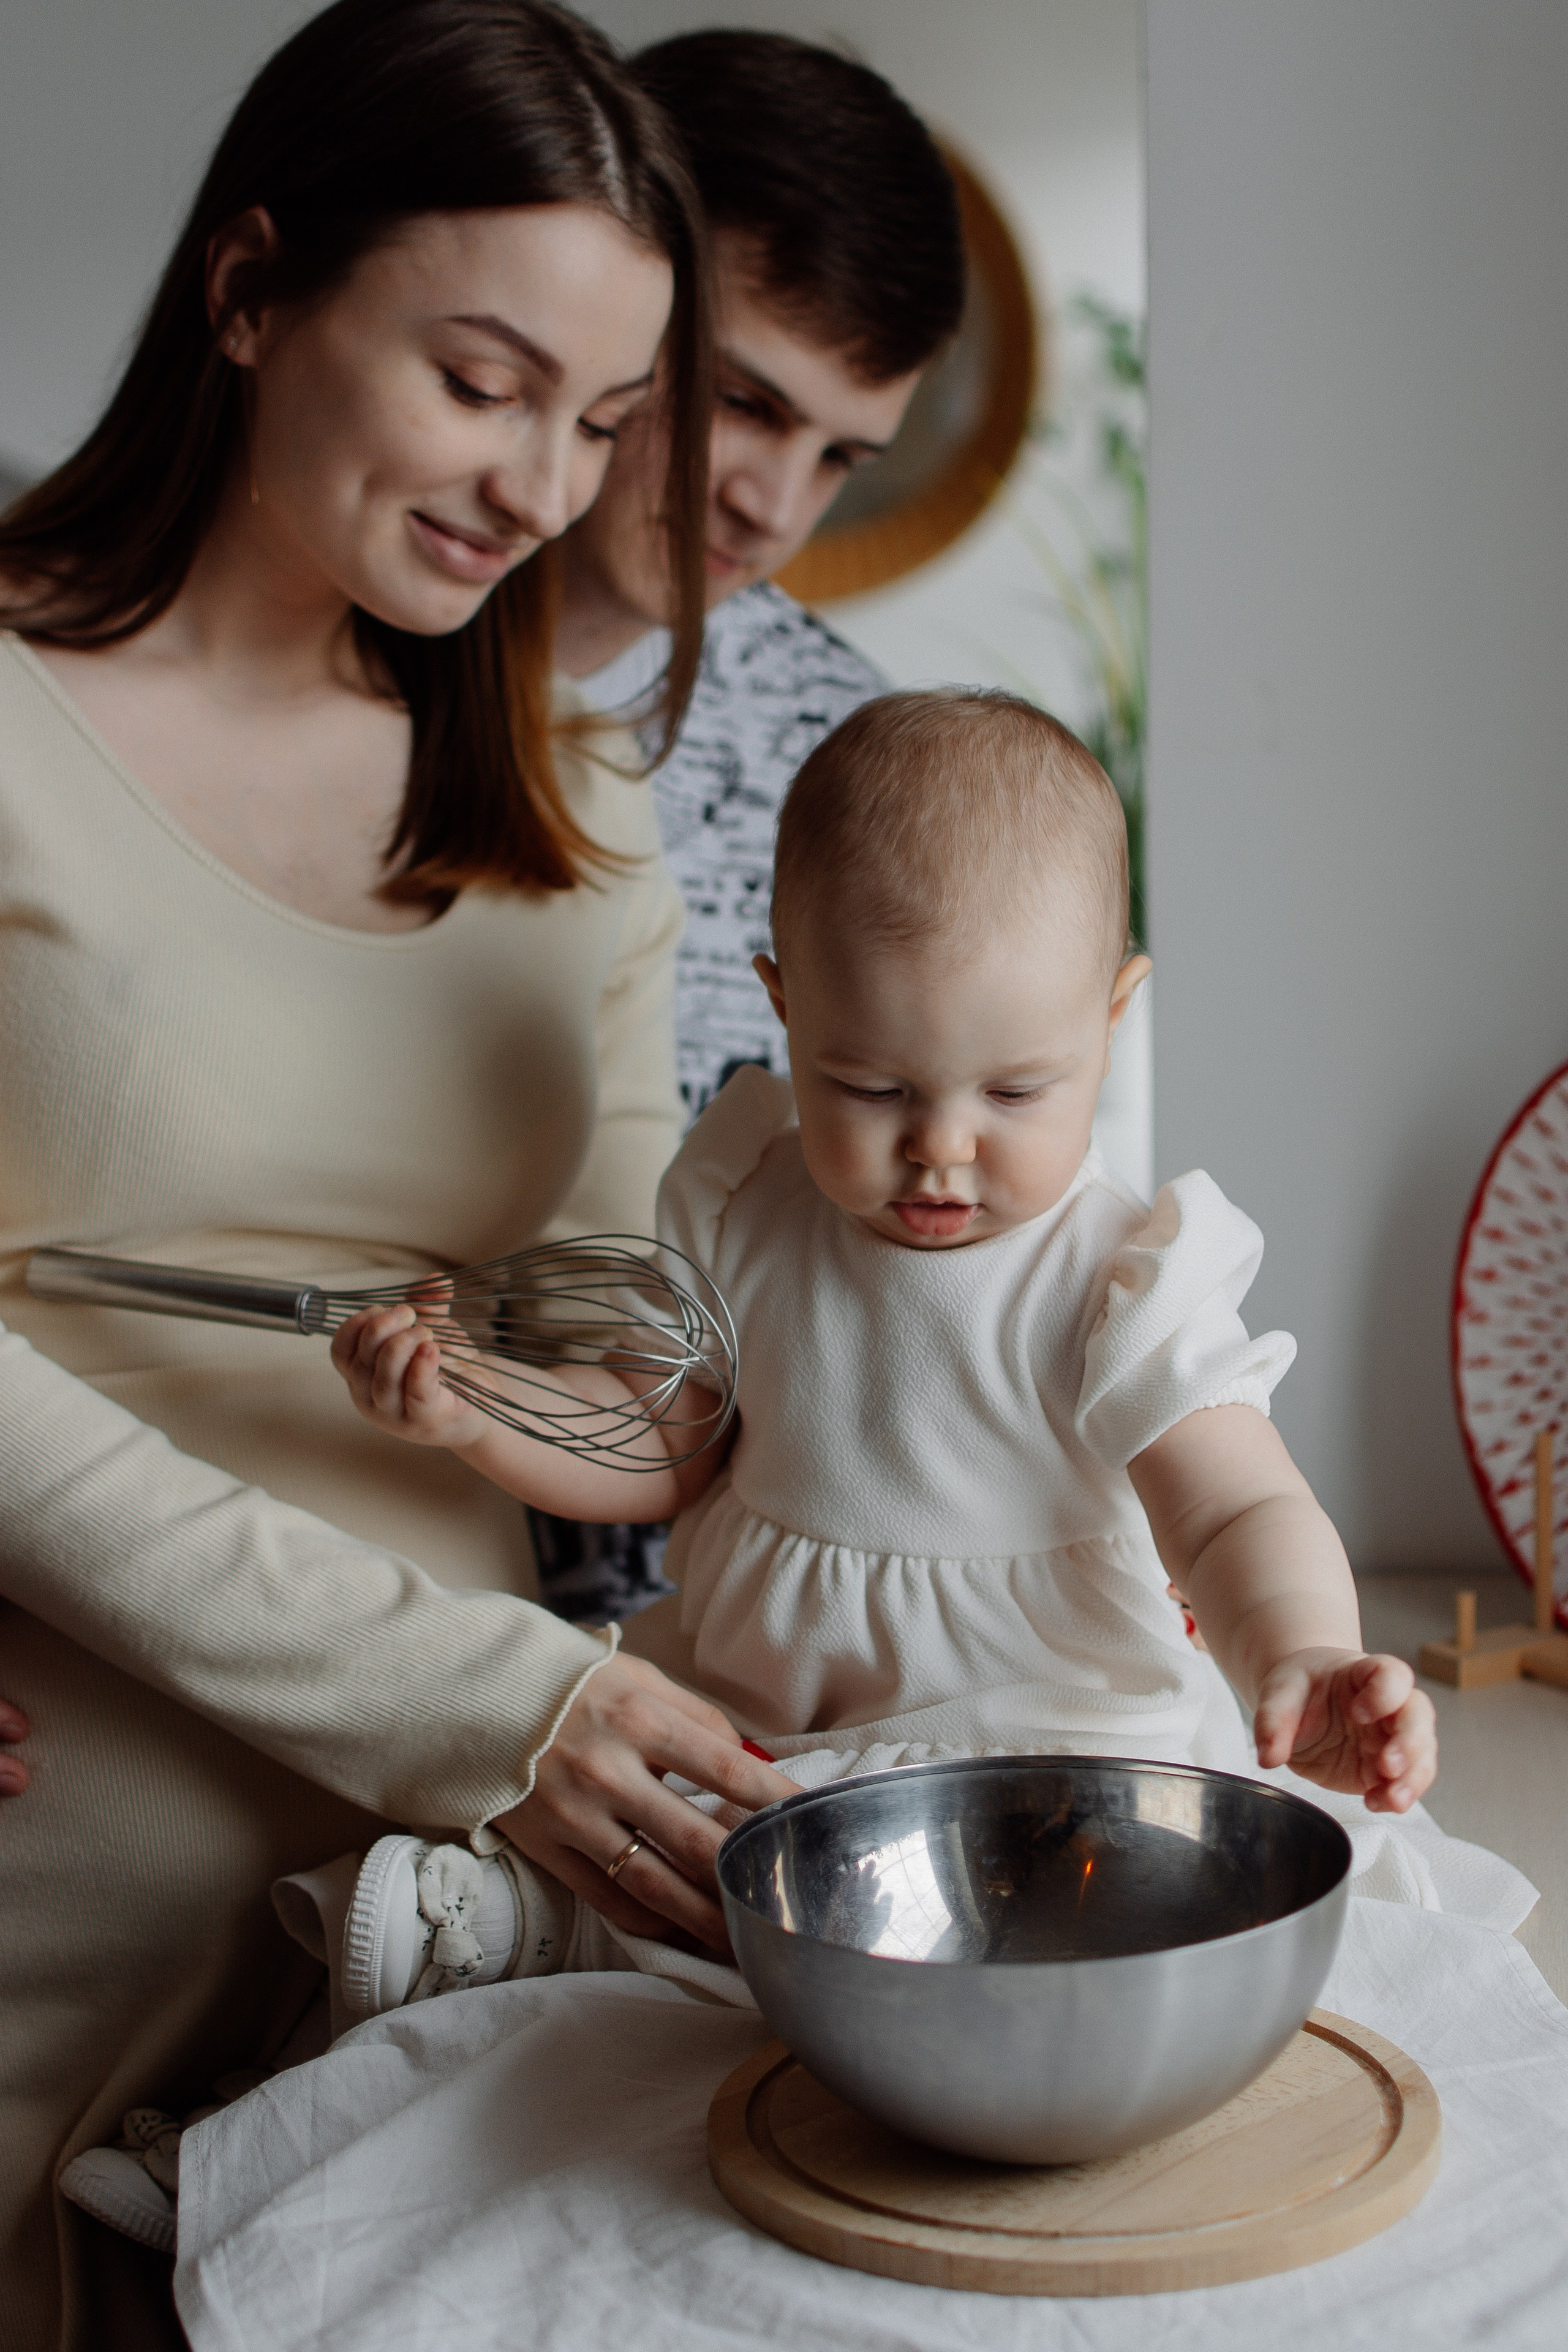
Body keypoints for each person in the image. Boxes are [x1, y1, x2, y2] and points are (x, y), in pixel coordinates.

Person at [0, 5, 795, 2344]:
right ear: (250, 291)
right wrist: (476, 1700)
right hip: (83, 1825)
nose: (544, 483)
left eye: (602, 421)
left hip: (468, 1871)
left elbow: (647, 1397)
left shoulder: (583, 832)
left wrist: (507, 1431)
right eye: (481, 380)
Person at [323, 689, 1438, 2002]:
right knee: (652, 1813)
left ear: (1111, 1018)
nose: (941, 1146)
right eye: (871, 1087)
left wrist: (1298, 1651)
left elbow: (1236, 1503)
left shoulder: (1117, 1273)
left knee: (1087, 1904)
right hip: (771, 1720)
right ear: (785, 1013)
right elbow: (654, 1440)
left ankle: (576, 1940)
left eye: (1014, 1091)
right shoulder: (742, 1205)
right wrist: (478, 1406)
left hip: (1037, 1742)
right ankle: (518, 1940)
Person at [533, 29, 967, 1623]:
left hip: (738, 1641)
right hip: (341, 1564)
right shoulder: (340, 659)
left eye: (840, 454)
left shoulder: (853, 763)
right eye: (743, 404)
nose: (776, 507)